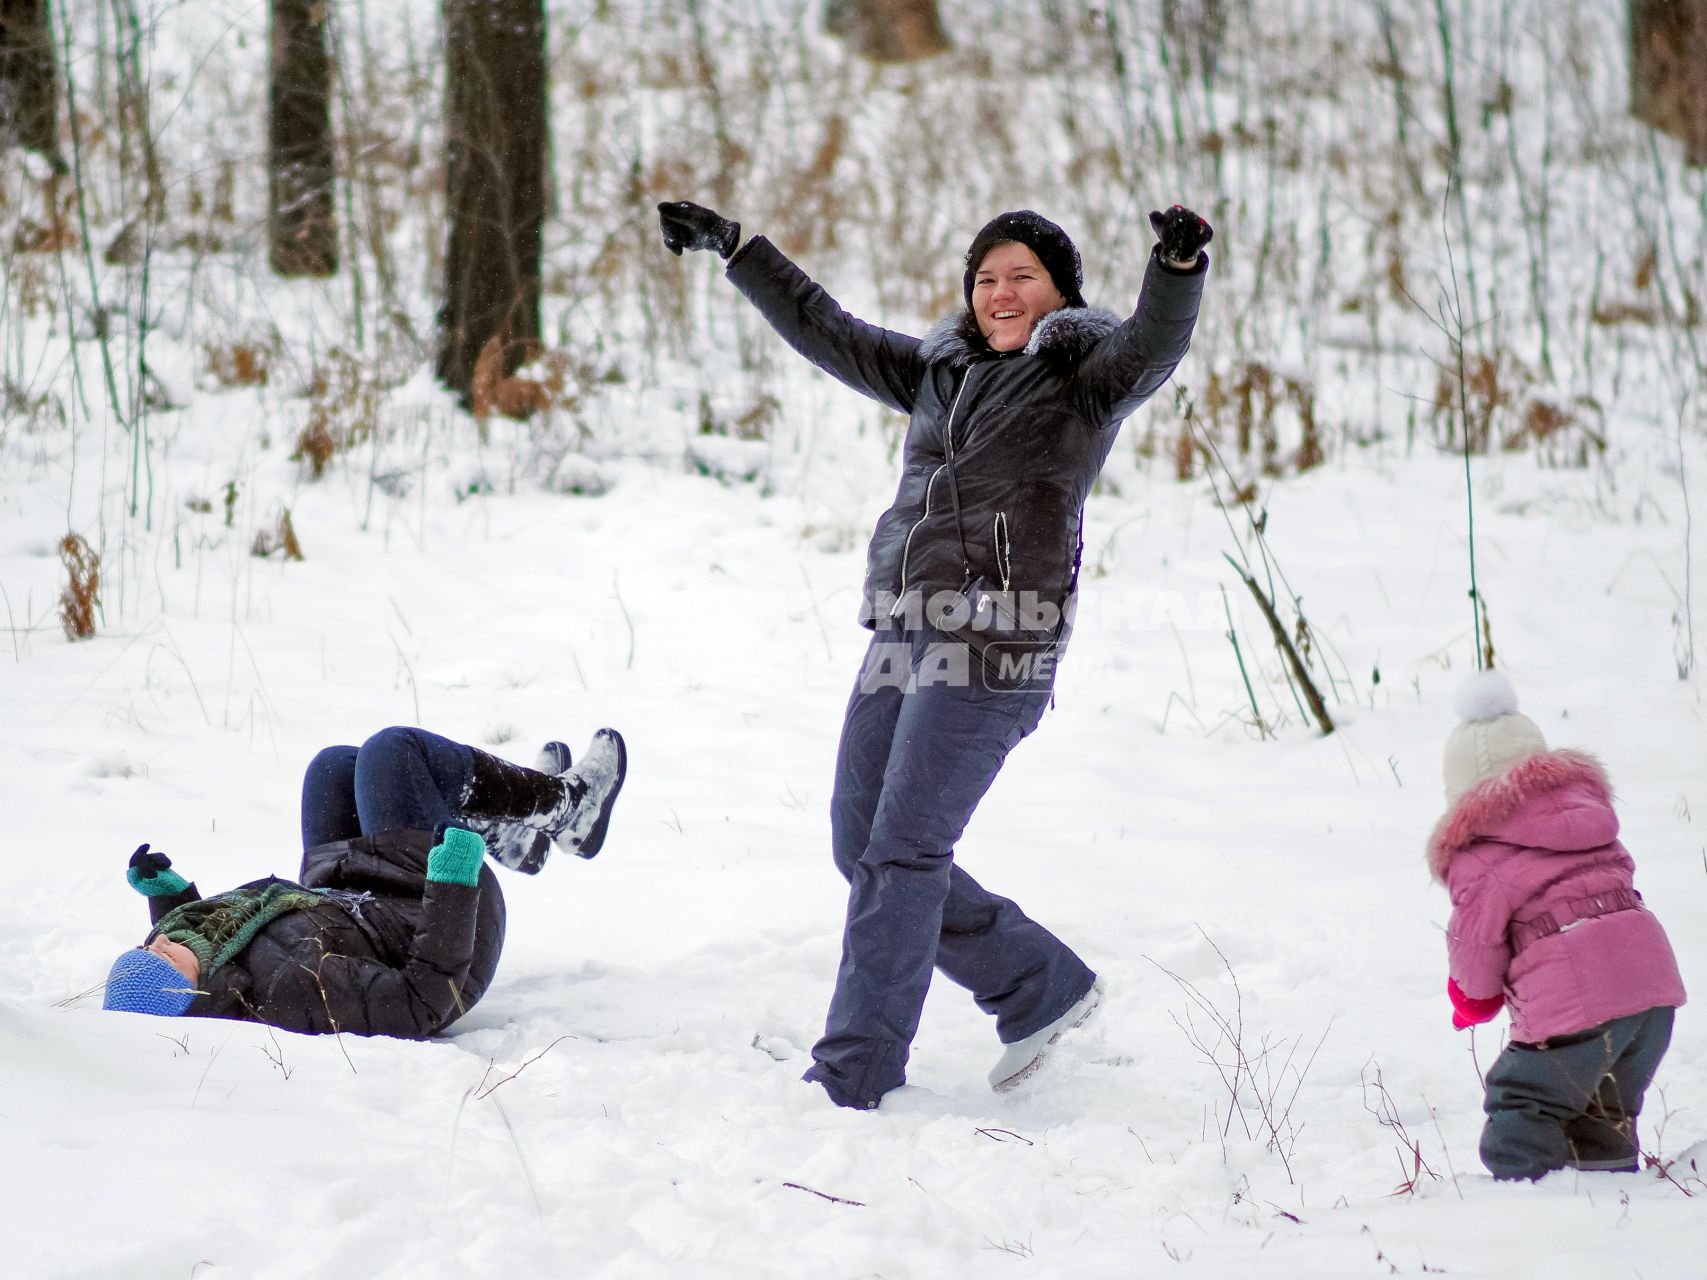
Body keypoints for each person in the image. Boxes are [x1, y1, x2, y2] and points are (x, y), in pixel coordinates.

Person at [659, 198, 1211, 1108]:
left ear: (1059, 293)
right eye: (987, 277)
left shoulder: (1084, 377)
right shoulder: (936, 373)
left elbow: (1154, 342)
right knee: (859, 841)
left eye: (1021, 276)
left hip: (998, 639)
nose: (1001, 291)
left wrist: (1176, 272)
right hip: (905, 631)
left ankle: (855, 1072)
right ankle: (1038, 985)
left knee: (906, 849)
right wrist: (739, 249)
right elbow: (824, 327)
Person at [98, 725, 628, 1038]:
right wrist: (451, 882)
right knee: (392, 753)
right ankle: (568, 809)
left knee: (332, 768)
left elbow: (209, 943)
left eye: (151, 943)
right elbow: (424, 1000)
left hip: (352, 893)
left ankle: (510, 834)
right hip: (431, 910)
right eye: (163, 957)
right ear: (189, 991)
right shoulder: (291, 992)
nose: (163, 939)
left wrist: (170, 895)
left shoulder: (210, 969)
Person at [1428, 670, 1686, 1179]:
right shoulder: (1593, 822)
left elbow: (1476, 948)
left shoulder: (1477, 855)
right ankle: (1610, 1200)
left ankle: (1528, 1207)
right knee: (1602, 1113)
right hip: (1653, 995)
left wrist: (1472, 1002)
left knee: (1524, 1100)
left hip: (1578, 1001)